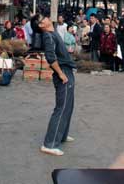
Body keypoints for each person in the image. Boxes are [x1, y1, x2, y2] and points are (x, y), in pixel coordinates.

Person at [38, 15, 76, 157]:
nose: (46, 18)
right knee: (61, 108)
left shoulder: (53, 33)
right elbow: (51, 58)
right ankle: (50, 144)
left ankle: (62, 136)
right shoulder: (47, 36)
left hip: (67, 70)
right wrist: (60, 74)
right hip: (63, 72)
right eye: (42, 20)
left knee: (68, 105)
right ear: (42, 26)